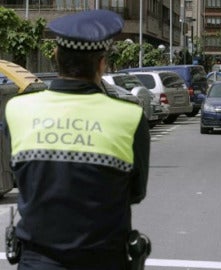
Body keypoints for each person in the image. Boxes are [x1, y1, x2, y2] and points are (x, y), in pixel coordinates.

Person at [4, 9, 150, 270]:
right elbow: (136, 192)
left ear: (56, 56)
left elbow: (20, 178)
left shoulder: (17, 109)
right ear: (102, 64)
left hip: (36, 262)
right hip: (103, 260)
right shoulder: (129, 116)